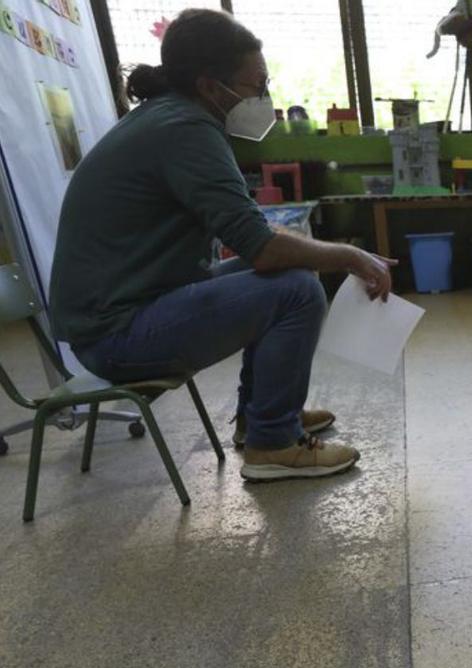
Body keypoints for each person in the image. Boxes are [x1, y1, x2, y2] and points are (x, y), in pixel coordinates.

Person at [49, 9, 393, 482]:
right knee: (294, 289)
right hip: (117, 334)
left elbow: (253, 233)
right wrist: (352, 255)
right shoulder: (185, 129)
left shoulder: (171, 118)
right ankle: (273, 444)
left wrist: (336, 254)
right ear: (212, 86)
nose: (265, 98)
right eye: (257, 86)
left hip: (127, 311)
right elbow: (262, 248)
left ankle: (261, 417)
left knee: (293, 275)